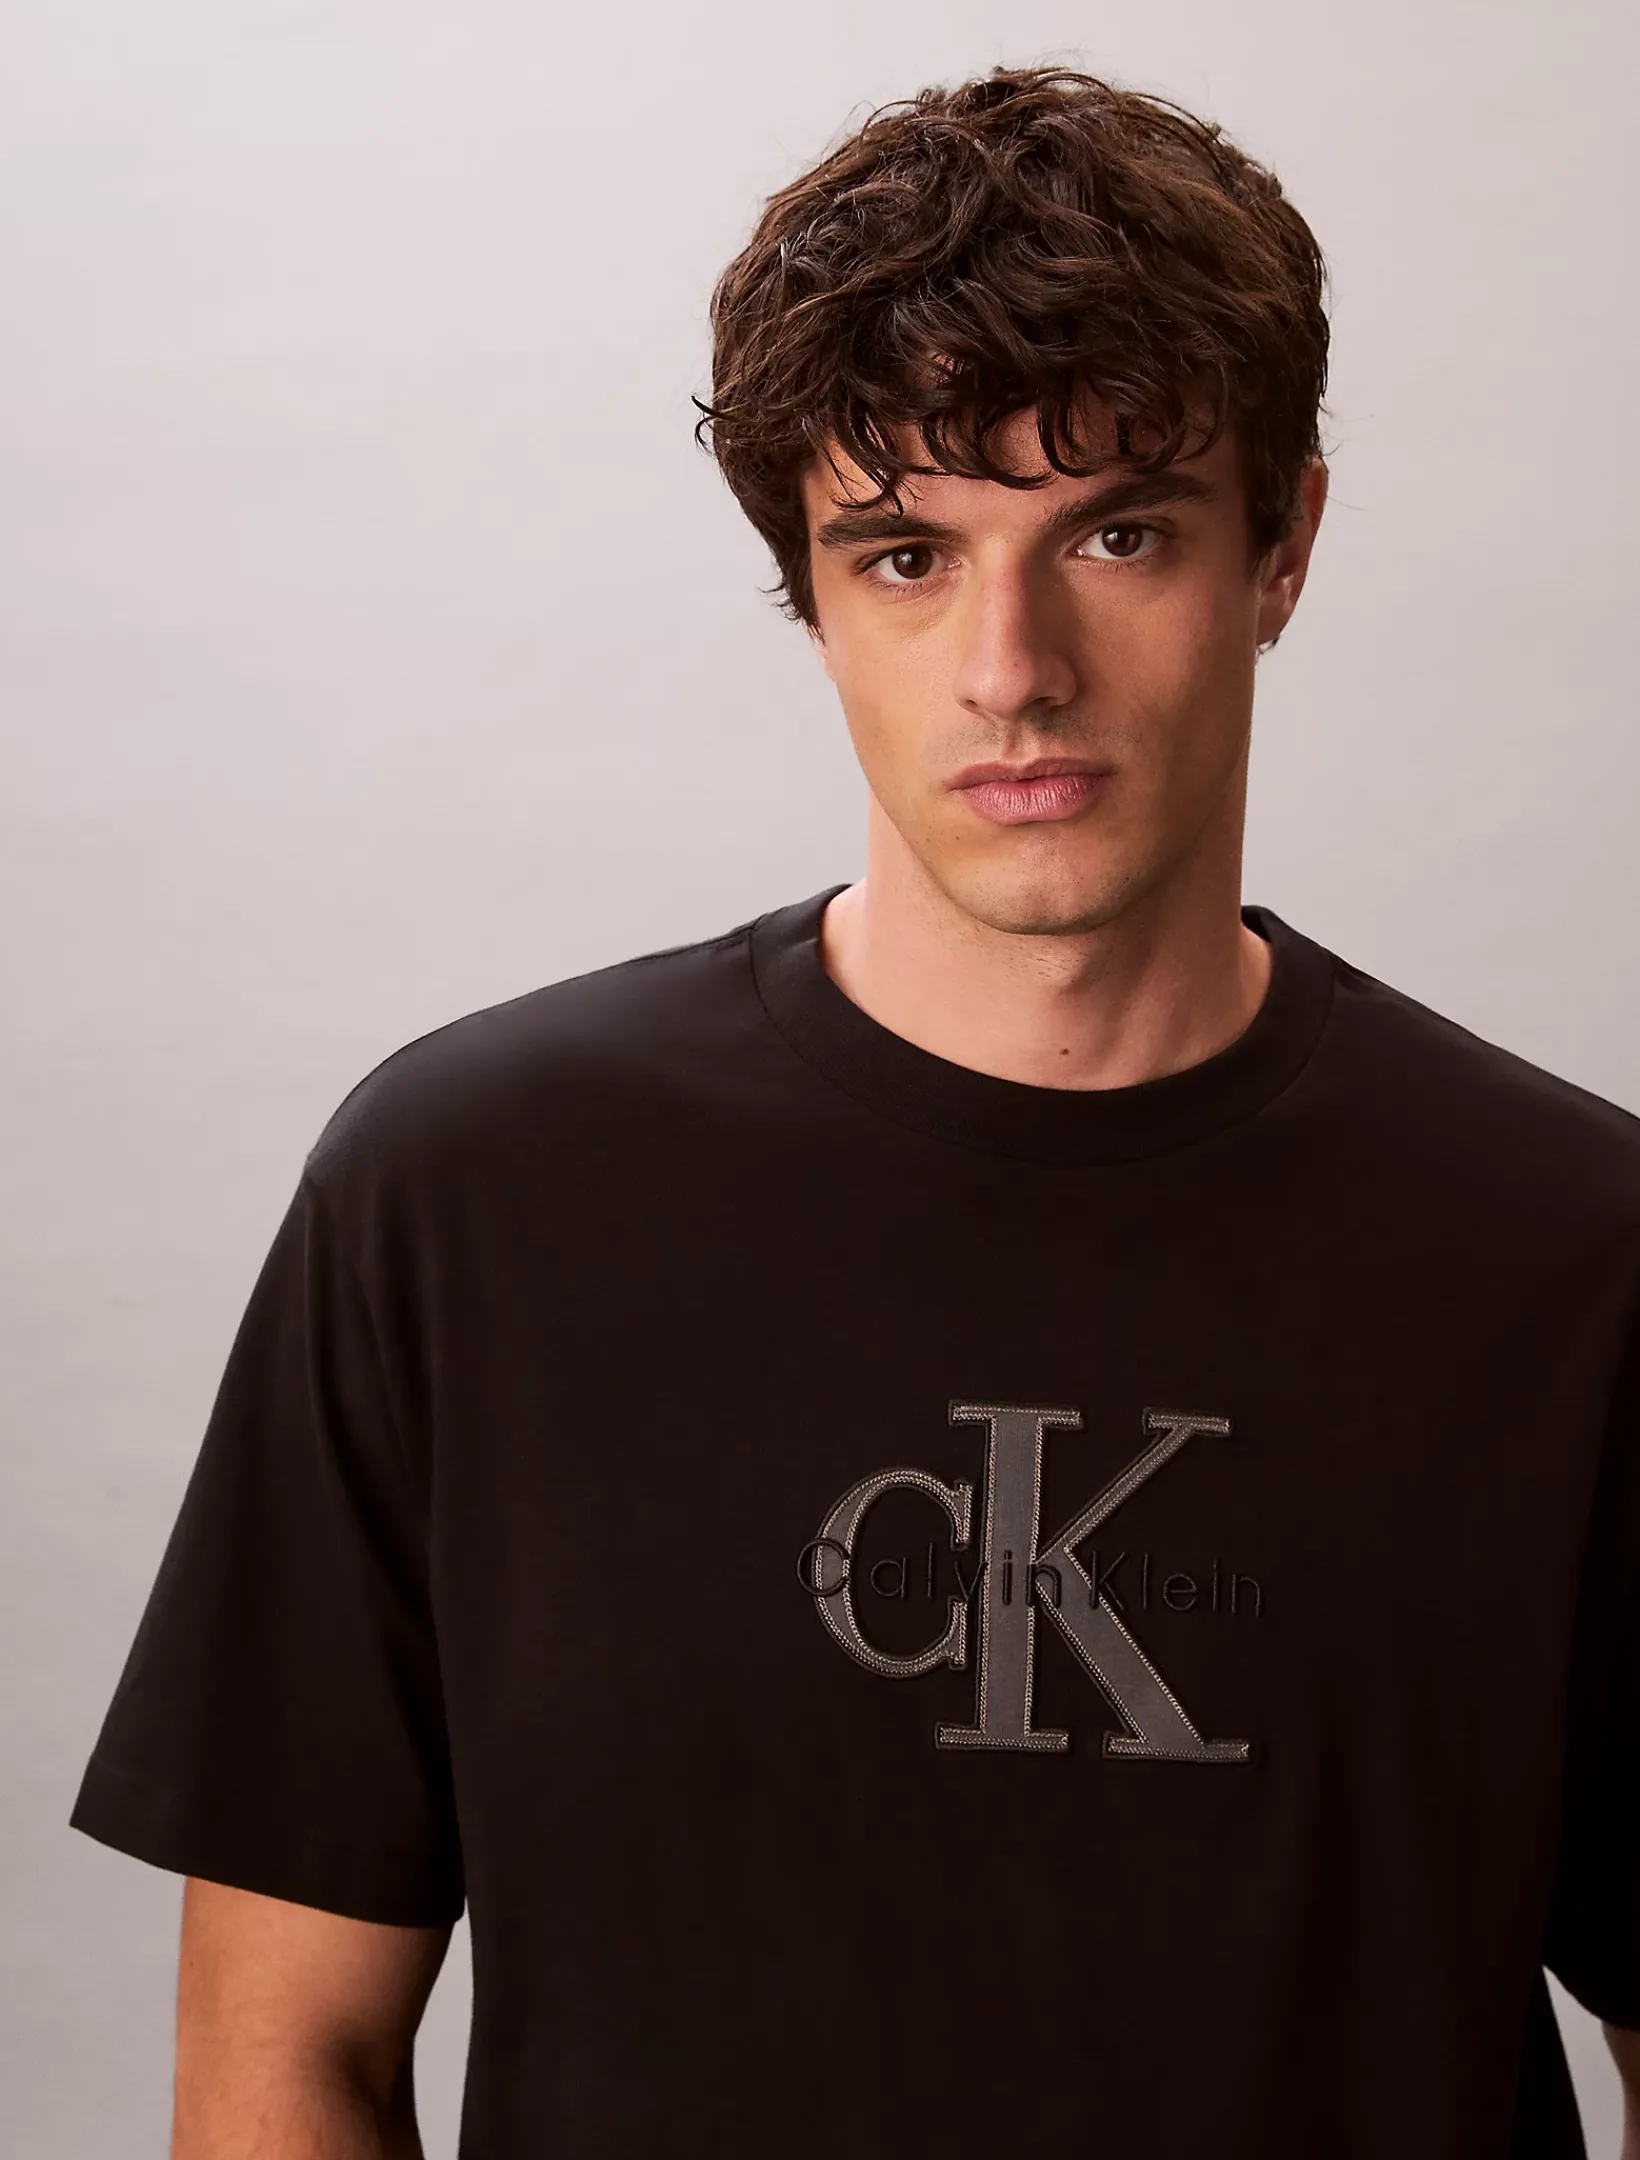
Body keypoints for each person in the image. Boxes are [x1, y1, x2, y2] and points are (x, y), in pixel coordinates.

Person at [71, 62, 1640, 2160]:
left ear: (1283, 547)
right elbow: (283, 2064)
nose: (1013, 665)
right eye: (904, 554)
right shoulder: (466, 1203)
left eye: (1117, 532)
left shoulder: (1578, 1260)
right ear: (809, 595)